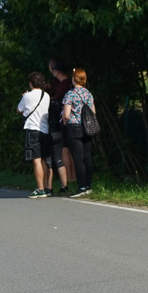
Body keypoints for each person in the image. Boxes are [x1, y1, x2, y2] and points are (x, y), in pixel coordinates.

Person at [62, 68, 96, 197]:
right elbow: (93, 112)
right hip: (87, 127)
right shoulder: (89, 94)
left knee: (78, 159)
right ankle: (88, 185)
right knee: (87, 157)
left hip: (74, 127)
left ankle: (81, 187)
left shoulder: (70, 94)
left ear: (73, 78)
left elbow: (66, 114)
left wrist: (66, 121)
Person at [17, 72, 51, 198]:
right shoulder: (46, 95)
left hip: (33, 129)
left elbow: (19, 110)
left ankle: (40, 188)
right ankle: (47, 187)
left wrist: (24, 96)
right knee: (44, 159)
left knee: (36, 160)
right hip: (45, 129)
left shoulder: (27, 96)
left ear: (31, 83)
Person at [47, 59, 74, 194]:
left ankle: (70, 178)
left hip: (63, 120)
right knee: (68, 149)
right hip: (70, 120)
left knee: (64, 150)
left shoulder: (63, 85)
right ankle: (72, 178)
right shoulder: (69, 84)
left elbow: (55, 99)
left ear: (57, 71)